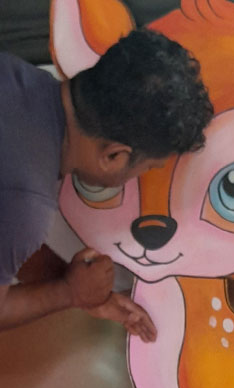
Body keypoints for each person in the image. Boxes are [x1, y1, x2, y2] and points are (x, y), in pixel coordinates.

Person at [0, 28, 214, 340]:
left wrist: (79, 287)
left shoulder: (11, 72)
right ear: (114, 156)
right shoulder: (26, 200)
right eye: (148, 168)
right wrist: (68, 292)